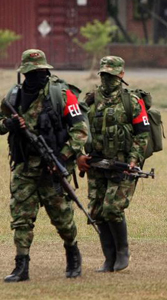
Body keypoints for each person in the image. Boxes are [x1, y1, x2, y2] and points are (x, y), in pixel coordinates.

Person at [0, 49, 88, 282]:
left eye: (40, 72)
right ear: (24, 73)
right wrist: (9, 123)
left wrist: (63, 155)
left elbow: (80, 130)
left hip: (52, 169)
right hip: (24, 167)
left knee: (62, 216)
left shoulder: (62, 94)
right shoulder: (14, 96)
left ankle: (73, 255)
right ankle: (21, 266)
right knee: (21, 217)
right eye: (31, 72)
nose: (36, 76)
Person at [77, 56, 151, 272]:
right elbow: (76, 129)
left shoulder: (132, 102)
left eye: (111, 75)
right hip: (96, 165)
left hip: (122, 165)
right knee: (97, 210)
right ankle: (108, 258)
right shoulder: (90, 100)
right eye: (104, 75)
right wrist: (79, 157)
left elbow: (142, 134)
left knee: (112, 208)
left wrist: (133, 160)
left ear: (121, 75)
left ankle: (122, 253)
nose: (107, 79)